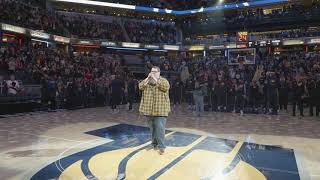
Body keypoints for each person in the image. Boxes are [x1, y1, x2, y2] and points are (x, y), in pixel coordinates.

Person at [139, 66, 170, 155]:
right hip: (149, 110)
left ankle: (162, 147)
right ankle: (154, 144)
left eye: (155, 72)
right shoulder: (147, 82)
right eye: (152, 71)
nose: (153, 73)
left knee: (160, 129)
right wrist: (147, 79)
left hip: (160, 110)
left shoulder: (163, 81)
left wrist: (155, 79)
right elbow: (140, 87)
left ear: (159, 73)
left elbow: (165, 87)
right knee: (152, 128)